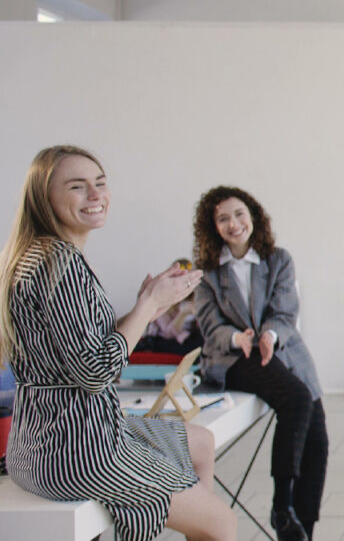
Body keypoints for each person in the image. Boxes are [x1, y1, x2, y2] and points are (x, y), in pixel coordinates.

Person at [0, 145, 236, 541]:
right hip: (78, 449)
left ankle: (195, 514)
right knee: (223, 523)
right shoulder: (61, 264)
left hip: (37, 440)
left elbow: (80, 344)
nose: (96, 195)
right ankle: (202, 520)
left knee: (201, 442)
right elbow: (95, 372)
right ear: (45, 197)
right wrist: (149, 305)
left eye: (100, 183)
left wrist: (149, 303)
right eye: (78, 187)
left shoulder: (35, 254)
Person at [192, 186, 327, 541]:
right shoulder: (207, 273)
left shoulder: (278, 259)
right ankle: (282, 508)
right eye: (223, 218)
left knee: (318, 440)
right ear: (213, 227)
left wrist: (269, 335)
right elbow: (210, 328)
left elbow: (285, 311)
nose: (233, 224)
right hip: (237, 358)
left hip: (284, 351)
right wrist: (239, 338)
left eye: (239, 214)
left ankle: (301, 530)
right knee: (296, 400)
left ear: (253, 216)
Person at [133, 258, 204, 357]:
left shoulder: (194, 300)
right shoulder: (164, 298)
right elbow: (168, 334)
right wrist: (183, 315)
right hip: (163, 341)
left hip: (184, 339)